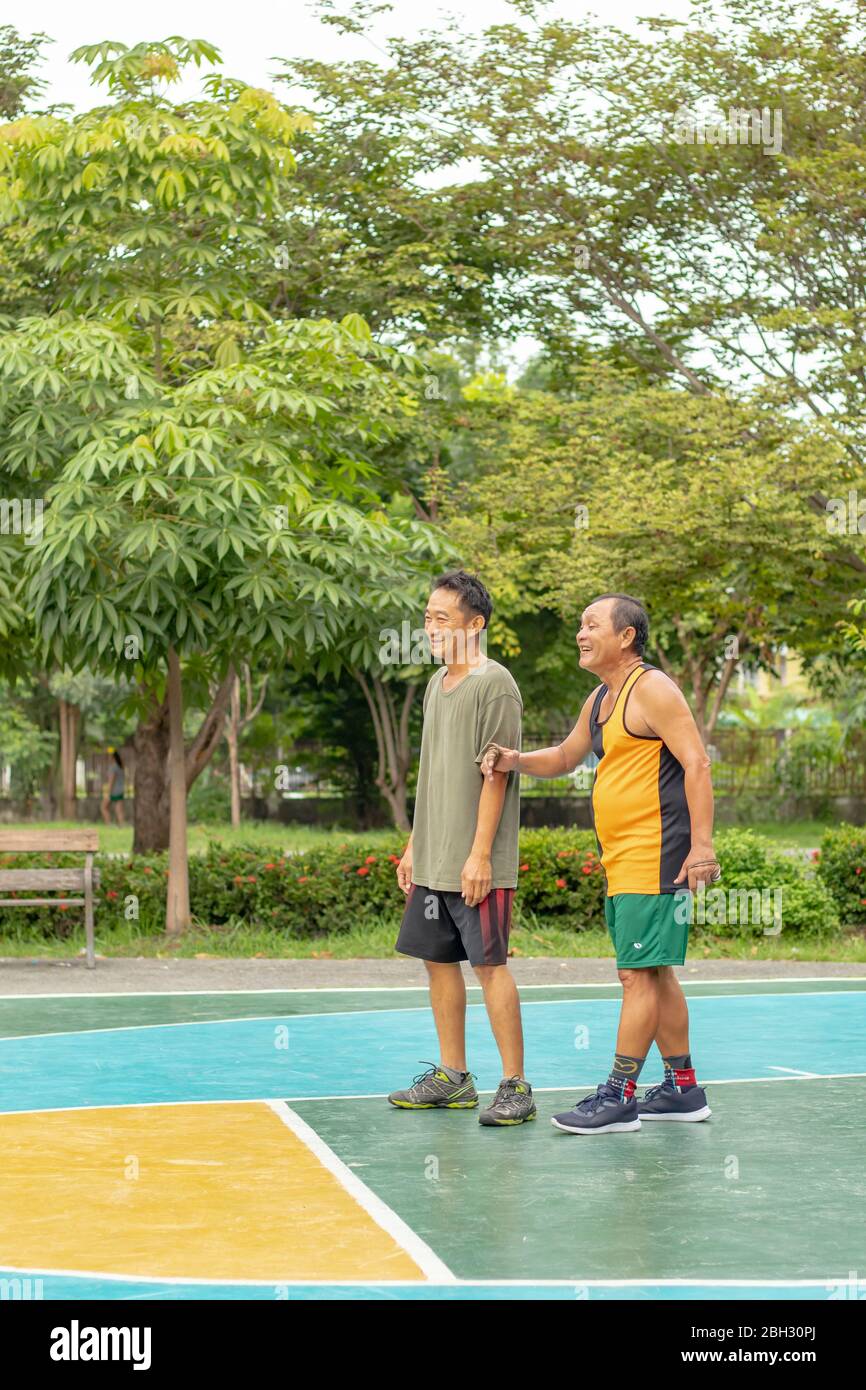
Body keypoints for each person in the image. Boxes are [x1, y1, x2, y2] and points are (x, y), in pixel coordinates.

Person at [481, 594, 718, 1134]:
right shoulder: (601, 699)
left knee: (636, 975)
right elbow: (566, 756)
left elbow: (697, 762)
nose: (581, 634)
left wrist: (702, 846)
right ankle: (684, 1090)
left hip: (658, 855)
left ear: (626, 635)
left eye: (592, 625)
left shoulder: (652, 689)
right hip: (624, 859)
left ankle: (619, 1097)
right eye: (580, 626)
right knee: (653, 971)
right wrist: (515, 759)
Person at [389, 570, 536, 1126]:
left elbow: (495, 776)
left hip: (479, 862)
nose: (430, 627)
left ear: (474, 625)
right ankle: (453, 1078)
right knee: (437, 962)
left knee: (489, 965)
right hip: (433, 857)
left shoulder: (495, 684)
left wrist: (479, 856)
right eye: (426, 617)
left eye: (441, 618)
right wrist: (413, 847)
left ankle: (515, 1085)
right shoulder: (435, 684)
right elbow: (434, 775)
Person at [101, 749, 126, 826]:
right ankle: (122, 825)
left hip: (113, 791)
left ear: (113, 757)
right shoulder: (120, 767)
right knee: (119, 810)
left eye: (109, 757)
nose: (108, 758)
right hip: (120, 791)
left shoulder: (113, 767)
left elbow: (111, 781)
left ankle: (109, 824)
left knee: (103, 807)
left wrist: (108, 793)